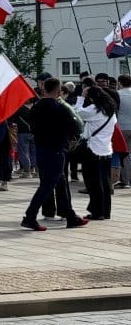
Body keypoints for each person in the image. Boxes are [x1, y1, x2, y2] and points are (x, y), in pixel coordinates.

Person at [22, 77, 87, 231]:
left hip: (41, 149)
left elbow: (31, 126)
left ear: (44, 89)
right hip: (56, 149)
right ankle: (29, 216)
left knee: (61, 181)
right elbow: (76, 126)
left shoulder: (36, 107)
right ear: (58, 91)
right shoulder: (60, 107)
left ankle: (70, 216)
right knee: (47, 185)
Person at [74, 85, 117, 220]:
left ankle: (97, 211)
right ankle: (105, 211)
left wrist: (81, 98)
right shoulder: (111, 111)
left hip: (92, 149)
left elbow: (76, 114)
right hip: (106, 150)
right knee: (104, 181)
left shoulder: (94, 110)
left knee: (93, 182)